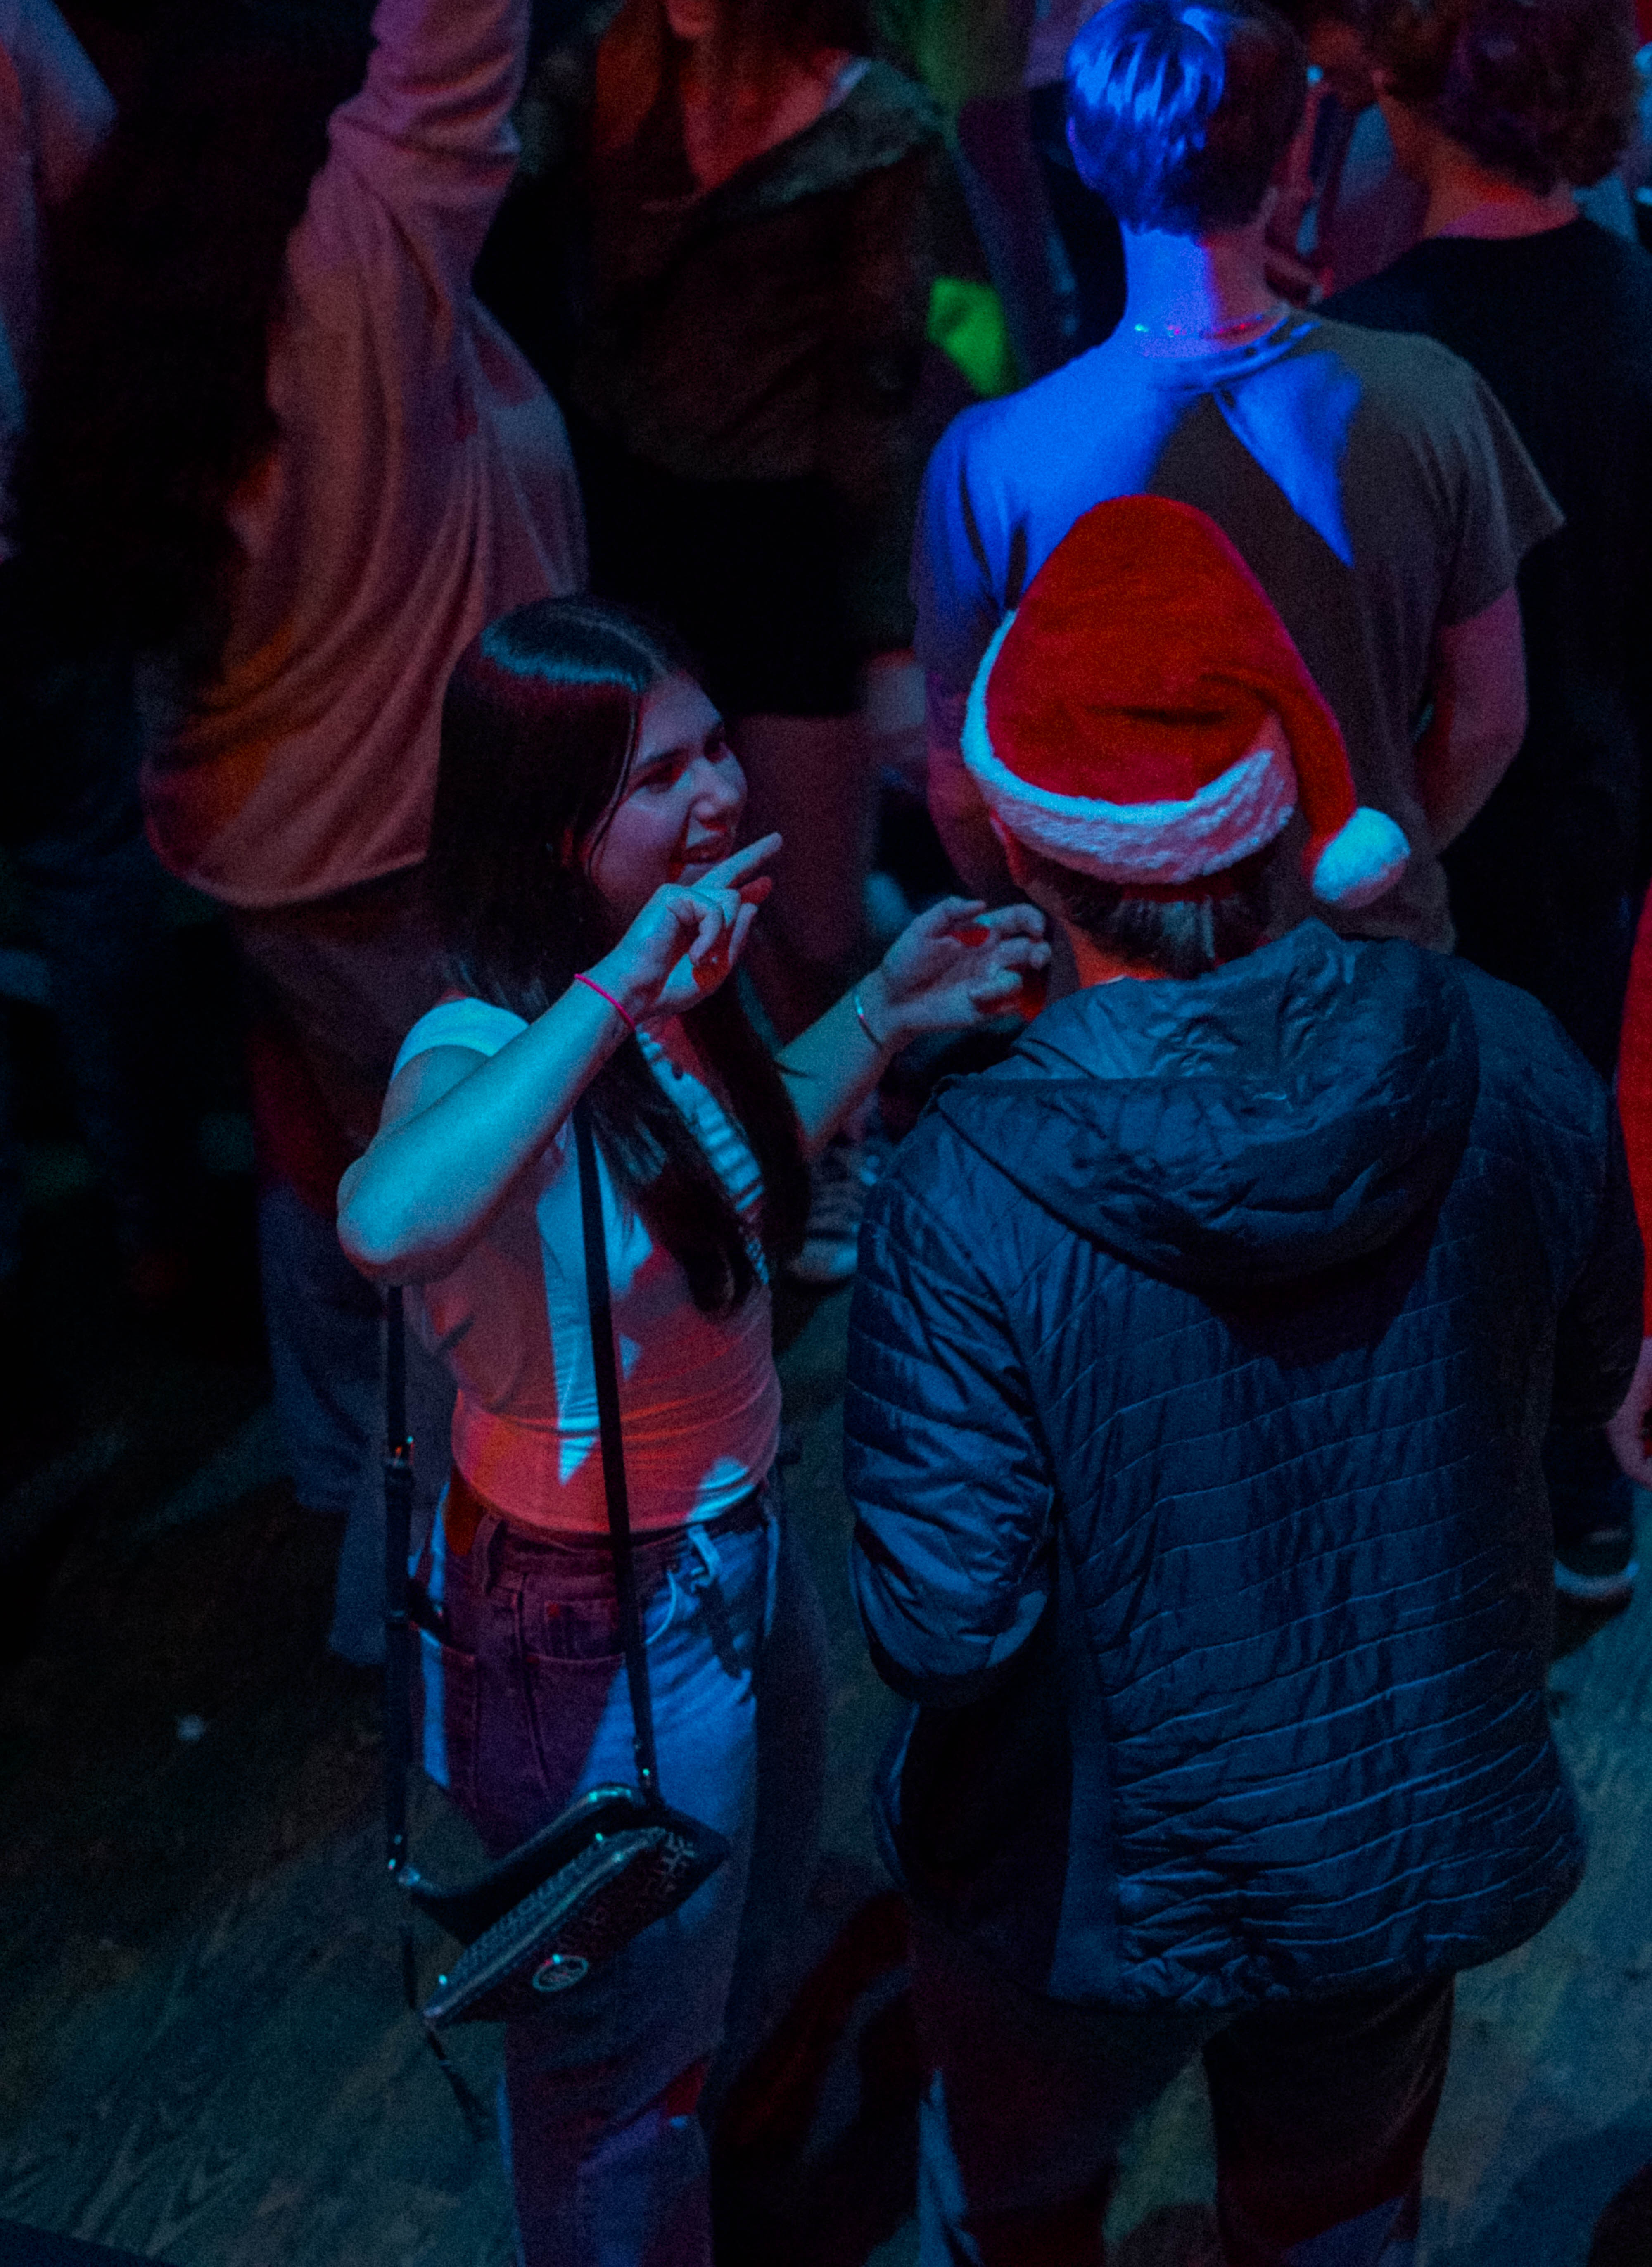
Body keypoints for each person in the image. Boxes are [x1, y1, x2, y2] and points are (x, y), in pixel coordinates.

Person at [844, 496, 1643, 2267]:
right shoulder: (1512, 1054)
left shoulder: (966, 1190)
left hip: (1082, 1887)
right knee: (1334, 2221)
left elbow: (945, 1621)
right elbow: (1592, 1376)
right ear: (1295, 817)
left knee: (1018, 2210)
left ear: (1024, 850)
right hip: (1396, 1831)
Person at [335, 596, 1047, 2267]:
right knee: (613, 2076)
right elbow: (386, 1219)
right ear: (553, 827)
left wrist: (887, 1012)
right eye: (662, 775)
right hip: (587, 1618)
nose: (721, 791)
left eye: (718, 747)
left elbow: (713, 1189)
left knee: (730, 1945)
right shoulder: (481, 1042)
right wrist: (618, 990)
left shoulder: (675, 985)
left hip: (729, 1553)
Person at [21, 0, 586, 1660]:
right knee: (479, 1250)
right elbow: (454, 50)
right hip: (416, 852)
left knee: (332, 1175)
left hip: (273, 864)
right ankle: (431, 1607)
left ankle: (352, 1496)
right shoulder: (351, 283)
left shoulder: (154, 324)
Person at [916, 0, 1559, 958]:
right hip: (1371, 971)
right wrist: (1359, 871)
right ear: (1294, 152)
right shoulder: (1430, 397)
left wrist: (1089, 920)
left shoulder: (990, 459)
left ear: (1085, 153)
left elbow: (962, 791)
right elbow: (1486, 721)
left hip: (1130, 996)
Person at [479, 0, 942, 1276]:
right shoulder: (608, 73)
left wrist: (887, 640)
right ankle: (735, 1133)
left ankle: (835, 1149)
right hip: (629, 523)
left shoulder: (874, 126)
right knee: (657, 875)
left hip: (787, 544)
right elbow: (467, 192)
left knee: (810, 911)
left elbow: (877, 389)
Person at [1324, 0, 1650, 1607]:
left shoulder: (1367, 348)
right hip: (1609, 813)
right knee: (1582, 1136)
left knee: (1437, 1170)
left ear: (1405, 105)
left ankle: (1466, 1493)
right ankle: (1583, 1476)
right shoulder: (1637, 304)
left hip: (1428, 821)